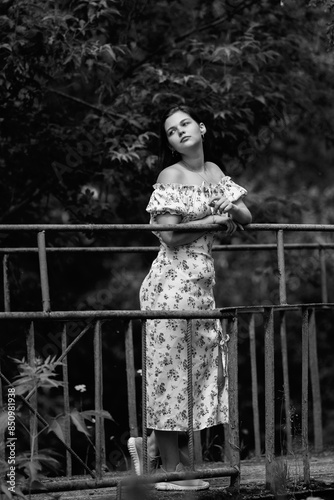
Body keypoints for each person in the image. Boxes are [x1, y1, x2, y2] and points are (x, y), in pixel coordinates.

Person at [128, 104, 252, 491]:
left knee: (194, 374)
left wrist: (227, 206)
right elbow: (167, 235)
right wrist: (210, 222)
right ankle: (169, 471)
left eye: (184, 124)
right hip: (170, 282)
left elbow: (246, 216)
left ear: (200, 127)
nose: (179, 131)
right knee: (169, 374)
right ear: (170, 143)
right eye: (170, 131)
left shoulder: (213, 172)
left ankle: (149, 446)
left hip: (200, 286)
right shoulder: (171, 175)